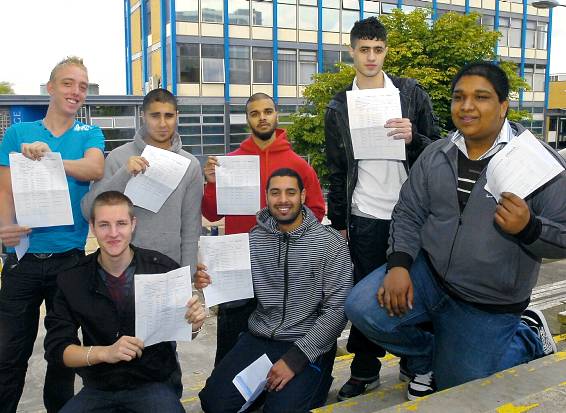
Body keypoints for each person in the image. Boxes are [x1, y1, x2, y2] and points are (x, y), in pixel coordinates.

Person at [345, 62, 566, 400]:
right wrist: (400, 264)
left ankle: (528, 335)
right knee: (361, 307)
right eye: (459, 97)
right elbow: (408, 211)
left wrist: (530, 228)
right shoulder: (437, 153)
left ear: (504, 105)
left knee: (459, 387)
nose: (466, 106)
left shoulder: (540, 164)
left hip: (487, 301)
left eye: (481, 97)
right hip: (429, 277)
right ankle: (424, 358)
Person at [324, 16, 440, 400]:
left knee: (415, 290)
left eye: (377, 49)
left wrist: (414, 137)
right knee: (363, 293)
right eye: (363, 49)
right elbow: (337, 168)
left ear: (386, 51)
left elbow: (439, 150)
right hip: (365, 216)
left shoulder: (410, 93)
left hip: (411, 215)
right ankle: (365, 368)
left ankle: (414, 360)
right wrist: (339, 221)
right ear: (352, 52)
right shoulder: (339, 104)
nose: (371, 57)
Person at [197, 168, 352, 413]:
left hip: (307, 343)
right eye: (275, 193)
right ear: (267, 197)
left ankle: (315, 382)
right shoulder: (254, 239)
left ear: (302, 196)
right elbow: (235, 286)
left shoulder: (329, 243)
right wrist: (208, 280)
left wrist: (295, 359)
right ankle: (260, 389)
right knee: (214, 404)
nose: (282, 200)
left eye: (290, 192)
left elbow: (337, 309)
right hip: (261, 337)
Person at [0, 56, 105, 413]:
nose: (76, 91)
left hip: (69, 260)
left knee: (61, 356)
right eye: (68, 83)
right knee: (8, 353)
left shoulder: (89, 133)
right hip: (23, 259)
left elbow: (94, 167)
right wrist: (4, 228)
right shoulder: (18, 134)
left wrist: (50, 158)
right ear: (50, 87)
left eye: (82, 85)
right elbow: (5, 190)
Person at [44, 191, 206, 412]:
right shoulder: (73, 278)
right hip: (99, 387)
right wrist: (105, 353)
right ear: (92, 227)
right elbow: (57, 349)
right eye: (104, 225)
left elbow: (183, 329)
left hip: (151, 383)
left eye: (121, 223)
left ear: (133, 224)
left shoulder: (162, 269)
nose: (113, 233)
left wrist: (194, 325)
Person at [201, 93, 326, 365]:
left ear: (276, 115)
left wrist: (292, 238)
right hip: (238, 263)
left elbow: (317, 210)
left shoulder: (298, 164)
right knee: (232, 339)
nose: (262, 117)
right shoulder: (230, 162)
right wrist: (211, 183)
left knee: (275, 336)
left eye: (267, 111)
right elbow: (210, 213)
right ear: (247, 119)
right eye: (255, 113)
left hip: (282, 265)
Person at [81, 88, 203, 271]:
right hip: (123, 269)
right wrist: (124, 174)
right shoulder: (118, 158)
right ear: (143, 116)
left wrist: (188, 275)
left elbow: (191, 229)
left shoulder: (190, 165)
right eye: (155, 116)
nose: (162, 123)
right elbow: (88, 211)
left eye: (169, 116)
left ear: (177, 116)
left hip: (170, 267)